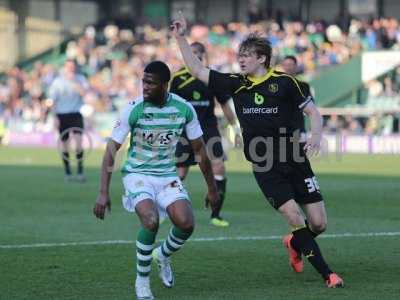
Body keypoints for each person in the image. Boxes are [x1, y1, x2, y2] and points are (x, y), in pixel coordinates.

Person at [171, 13, 344, 288]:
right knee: (294, 217)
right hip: (266, 166)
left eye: (247, 55)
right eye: (240, 55)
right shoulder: (235, 83)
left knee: (319, 224)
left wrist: (316, 136)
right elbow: (197, 70)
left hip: (296, 160)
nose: (241, 59)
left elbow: (313, 112)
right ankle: (328, 274)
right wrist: (180, 37)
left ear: (262, 58)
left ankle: (294, 242)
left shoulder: (287, 83)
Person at [93, 61, 219, 300]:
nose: (145, 87)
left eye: (151, 83)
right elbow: (111, 150)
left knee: (186, 223)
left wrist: (212, 190)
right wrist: (103, 192)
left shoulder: (184, 109)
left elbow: (201, 151)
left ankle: (162, 255)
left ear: (165, 85)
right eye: (143, 81)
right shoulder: (134, 108)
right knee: (150, 221)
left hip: (166, 175)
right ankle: (142, 282)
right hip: (137, 174)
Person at [170, 41, 242, 227]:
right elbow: (171, 106)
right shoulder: (178, 78)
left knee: (218, 167)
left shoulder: (211, 76)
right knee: (181, 171)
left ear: (202, 55)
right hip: (186, 130)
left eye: (196, 53)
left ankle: (215, 215)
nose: (192, 55)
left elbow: (225, 104)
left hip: (209, 129)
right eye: (190, 52)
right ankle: (167, 208)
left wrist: (235, 129)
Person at [48, 59, 88, 182]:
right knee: (65, 145)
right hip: (62, 115)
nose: (70, 68)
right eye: (68, 66)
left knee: (79, 143)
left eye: (72, 66)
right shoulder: (58, 82)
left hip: (76, 114)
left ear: (75, 67)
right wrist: (54, 117)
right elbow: (52, 100)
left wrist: (74, 82)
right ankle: (68, 172)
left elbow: (84, 93)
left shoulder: (80, 79)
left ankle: (80, 171)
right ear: (65, 67)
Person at [281, 55, 313, 143]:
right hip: (279, 131)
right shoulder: (275, 86)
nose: (288, 67)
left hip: (298, 130)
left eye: (290, 65)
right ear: (282, 66)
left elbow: (310, 108)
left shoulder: (304, 86)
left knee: (298, 156)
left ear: (295, 66)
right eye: (286, 65)